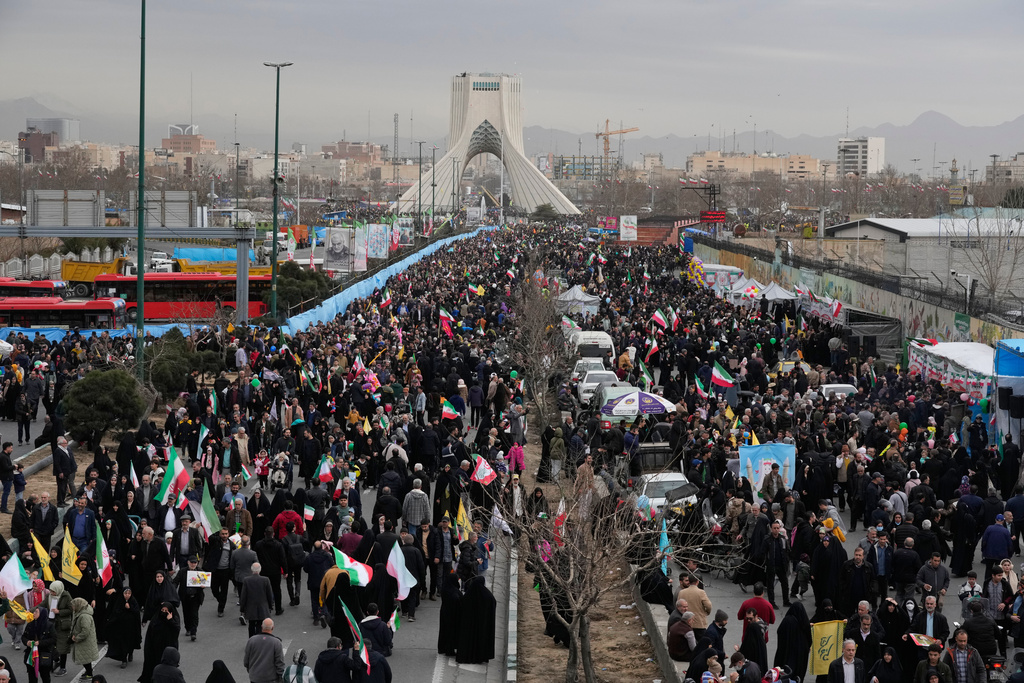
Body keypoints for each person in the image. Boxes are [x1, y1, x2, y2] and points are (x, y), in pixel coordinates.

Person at [456, 574, 496, 664]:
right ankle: (480, 657)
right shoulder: (488, 596)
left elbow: (462, 607)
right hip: (482, 626)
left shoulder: (469, 595)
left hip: (469, 627)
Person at [139, 602, 180, 683]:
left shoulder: (174, 619)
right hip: (155, 648)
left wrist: (170, 620)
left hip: (167, 648)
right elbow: (150, 635)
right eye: (162, 610)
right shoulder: (156, 619)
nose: (163, 612)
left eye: (166, 610)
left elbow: (176, 630)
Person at [773, 602, 811, 682]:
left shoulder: (787, 620)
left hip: (786, 651)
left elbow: (779, 631)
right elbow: (808, 636)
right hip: (799, 654)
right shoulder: (803, 622)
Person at [104, 586, 141, 669]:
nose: (127, 595)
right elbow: (116, 612)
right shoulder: (119, 602)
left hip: (131, 629)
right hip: (121, 628)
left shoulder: (133, 601)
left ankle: (130, 653)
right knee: (122, 644)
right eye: (125, 593)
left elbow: (136, 613)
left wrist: (130, 608)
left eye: (129, 593)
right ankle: (124, 659)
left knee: (131, 643)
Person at [173, 555, 205, 641]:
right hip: (185, 596)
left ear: (197, 563)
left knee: (194, 614)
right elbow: (175, 581)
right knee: (186, 613)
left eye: (195, 562)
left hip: (196, 596)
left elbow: (205, 582)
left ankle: (193, 632)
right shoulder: (182, 571)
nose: (193, 564)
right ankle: (188, 628)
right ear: (188, 562)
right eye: (192, 562)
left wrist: (203, 585)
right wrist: (173, 590)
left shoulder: (200, 572)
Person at [243, 618, 285, 683]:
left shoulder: (251, 640)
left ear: (262, 627)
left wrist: (251, 671)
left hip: (255, 678)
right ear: (272, 628)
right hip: (270, 679)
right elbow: (279, 662)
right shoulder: (276, 643)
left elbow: (246, 661)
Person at [240, 562, 276, 637]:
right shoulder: (265, 580)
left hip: (250, 607)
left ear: (251, 570)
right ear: (260, 570)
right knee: (260, 625)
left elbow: (243, 596)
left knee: (251, 625)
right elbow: (269, 594)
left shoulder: (246, 580)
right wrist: (270, 605)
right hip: (262, 607)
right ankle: (259, 641)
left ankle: (251, 640)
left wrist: (242, 608)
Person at [21, 606, 55, 683]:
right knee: (32, 676)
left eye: (36, 612)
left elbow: (53, 639)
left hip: (44, 654)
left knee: (45, 676)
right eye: (34, 612)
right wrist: (27, 642)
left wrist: (40, 643)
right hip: (31, 654)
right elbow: (23, 637)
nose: (34, 613)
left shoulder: (49, 625)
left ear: (42, 614)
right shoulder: (30, 624)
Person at [70, 597, 98, 682]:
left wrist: (77, 638)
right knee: (85, 658)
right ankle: (88, 672)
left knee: (85, 658)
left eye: (74, 606)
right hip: (84, 641)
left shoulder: (84, 616)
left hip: (85, 641)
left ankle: (89, 674)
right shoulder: (80, 613)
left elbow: (85, 631)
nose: (72, 608)